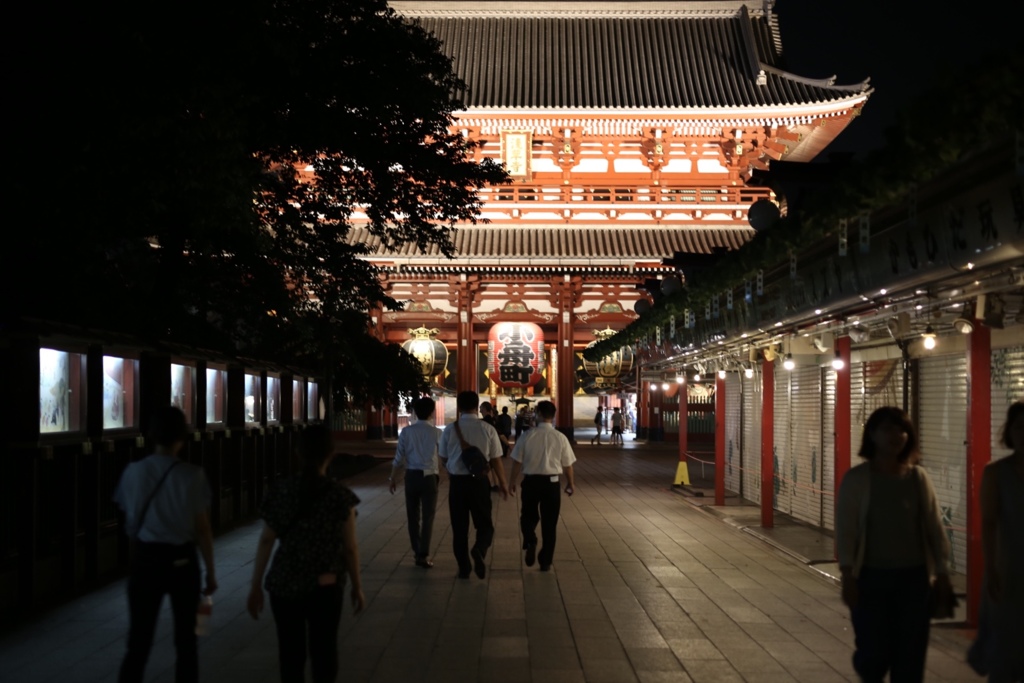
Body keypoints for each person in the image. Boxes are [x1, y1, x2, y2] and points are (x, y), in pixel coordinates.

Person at [835, 406, 952, 683]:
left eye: (901, 429)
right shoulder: (857, 479)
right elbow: (846, 531)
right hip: (871, 579)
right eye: (887, 428)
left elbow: (935, 528)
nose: (895, 435)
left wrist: (943, 573)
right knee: (873, 653)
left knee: (910, 655)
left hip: (914, 579)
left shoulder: (917, 478)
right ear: (872, 434)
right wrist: (848, 574)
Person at [247, 425, 365, 683]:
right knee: (324, 651)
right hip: (326, 584)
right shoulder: (339, 495)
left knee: (290, 653)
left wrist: (255, 585)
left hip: (285, 582)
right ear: (331, 454)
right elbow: (350, 547)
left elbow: (267, 539)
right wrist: (357, 586)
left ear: (298, 453)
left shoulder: (281, 491)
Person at [114, 406, 216, 683]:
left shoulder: (133, 472)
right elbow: (203, 529)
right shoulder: (192, 476)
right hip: (182, 561)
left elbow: (129, 521)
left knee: (138, 642)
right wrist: (211, 571)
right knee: (186, 642)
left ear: (151, 435)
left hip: (146, 559)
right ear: (181, 437)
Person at [975, 400, 1024, 682]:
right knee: (1005, 651)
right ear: (1009, 431)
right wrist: (991, 569)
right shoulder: (996, 473)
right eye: (1019, 427)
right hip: (1009, 570)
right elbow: (989, 523)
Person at [439, 391, 508, 579]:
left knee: (459, 528)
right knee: (485, 524)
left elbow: (443, 457)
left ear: (459, 407)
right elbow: (496, 460)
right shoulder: (488, 429)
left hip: (458, 484)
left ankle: (464, 568)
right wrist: (502, 483)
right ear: (477, 406)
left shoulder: (450, 429)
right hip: (479, 483)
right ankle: (479, 549)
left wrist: (450, 468)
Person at [508, 401, 576, 572]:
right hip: (552, 484)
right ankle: (545, 561)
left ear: (537, 413)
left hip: (531, 482)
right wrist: (570, 483)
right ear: (553, 415)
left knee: (528, 516)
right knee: (549, 523)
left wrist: (511, 482)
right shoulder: (560, 437)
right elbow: (568, 465)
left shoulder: (527, 436)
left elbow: (517, 461)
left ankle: (530, 539)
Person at [388, 396, 441, 569]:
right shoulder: (436, 433)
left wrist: (393, 478)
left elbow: (398, 458)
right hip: (429, 477)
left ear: (415, 413)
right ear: (432, 412)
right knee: (428, 517)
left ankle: (417, 550)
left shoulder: (406, 432)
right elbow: (444, 455)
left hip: (411, 476)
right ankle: (423, 554)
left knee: (413, 516)